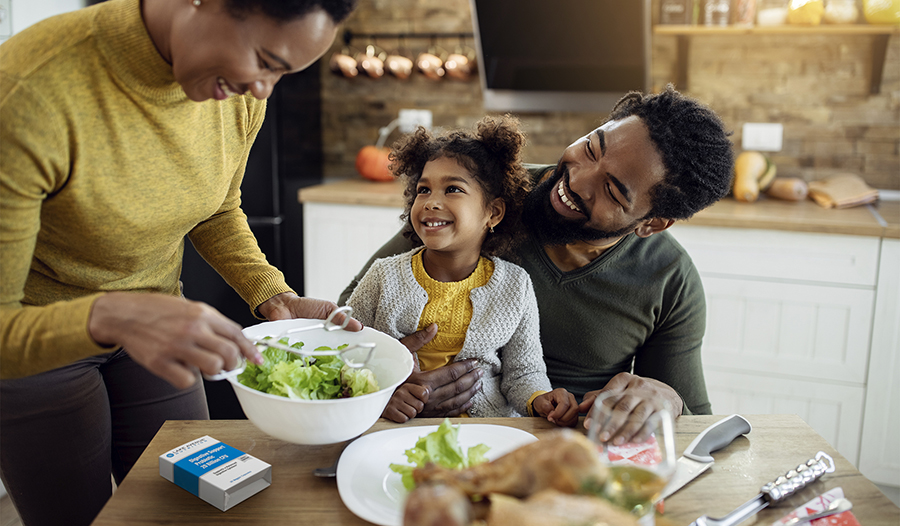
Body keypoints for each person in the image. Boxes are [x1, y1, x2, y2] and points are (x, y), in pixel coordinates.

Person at [0, 0, 359, 525]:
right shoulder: (30, 92)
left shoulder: (236, 95)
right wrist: (113, 314)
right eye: (264, 60)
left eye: (282, 73)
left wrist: (271, 294)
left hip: (158, 327)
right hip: (37, 343)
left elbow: (216, 207)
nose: (263, 89)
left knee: (194, 509)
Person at [340, 86, 735, 444]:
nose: (578, 180)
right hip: (413, 432)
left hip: (567, 454)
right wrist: (389, 377)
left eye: (612, 191)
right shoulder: (485, 195)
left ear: (651, 223)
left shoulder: (669, 279)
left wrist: (666, 398)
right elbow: (353, 312)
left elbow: (698, 427)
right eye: (592, 147)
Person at [346, 116, 578, 426]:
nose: (431, 202)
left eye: (452, 189)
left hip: (487, 431)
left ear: (492, 212)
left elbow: (524, 372)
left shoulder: (515, 286)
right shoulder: (383, 276)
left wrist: (540, 399)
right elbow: (346, 354)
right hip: (397, 427)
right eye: (423, 190)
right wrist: (381, 393)